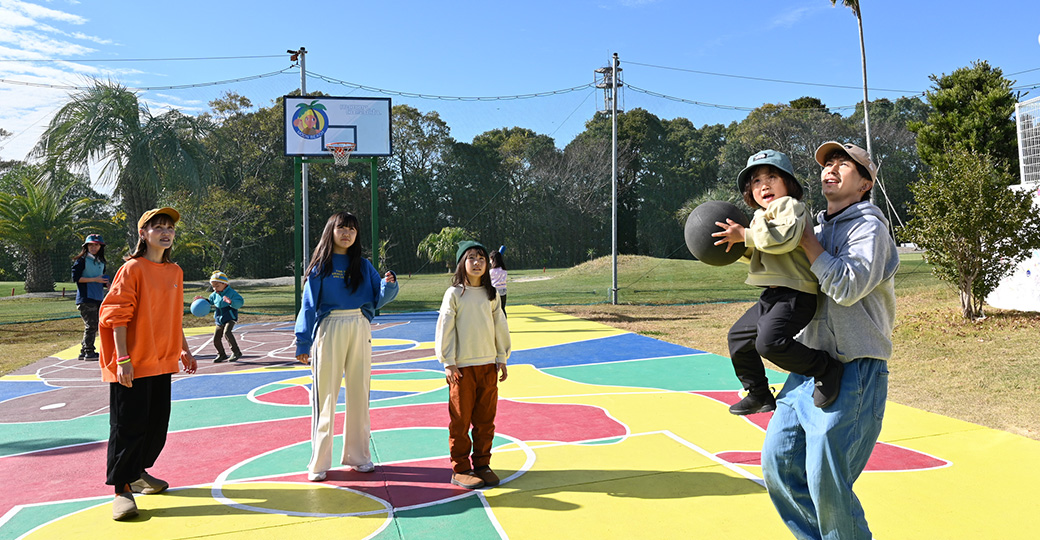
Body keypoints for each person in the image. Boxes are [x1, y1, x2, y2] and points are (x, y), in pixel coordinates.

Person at [761, 142, 899, 539]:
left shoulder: (869, 229)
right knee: (778, 465)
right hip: (808, 370)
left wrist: (807, 241)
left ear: (865, 183)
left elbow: (846, 285)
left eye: (844, 164)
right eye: (826, 164)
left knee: (827, 482)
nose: (830, 170)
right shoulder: (815, 226)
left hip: (854, 370)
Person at [712, 149, 845, 415]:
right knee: (739, 338)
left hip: (797, 293)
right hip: (773, 296)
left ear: (789, 183)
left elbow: (783, 237)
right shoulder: (761, 216)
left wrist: (746, 236)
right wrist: (736, 245)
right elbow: (762, 251)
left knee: (769, 342)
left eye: (772, 176)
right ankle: (759, 394)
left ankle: (825, 367)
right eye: (757, 182)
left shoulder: (789, 207)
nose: (764, 185)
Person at [98, 207, 198, 521]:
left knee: (155, 426)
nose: (166, 232)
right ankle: (121, 490)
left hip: (161, 362)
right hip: (134, 363)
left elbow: (173, 315)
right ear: (143, 234)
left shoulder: (175, 272)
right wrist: (123, 359)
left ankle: (138, 474)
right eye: (158, 227)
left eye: (169, 228)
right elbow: (116, 317)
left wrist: (184, 348)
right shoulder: (132, 269)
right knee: (128, 427)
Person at [294, 211, 398, 482]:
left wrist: (390, 285)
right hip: (329, 328)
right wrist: (303, 340)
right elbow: (307, 305)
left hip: (359, 327)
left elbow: (378, 297)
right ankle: (318, 462)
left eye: (352, 229)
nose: (347, 233)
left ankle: (359, 456)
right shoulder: (320, 266)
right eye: (342, 227)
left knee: (359, 392)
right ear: (331, 230)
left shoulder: (363, 266)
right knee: (325, 395)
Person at [436, 241, 511, 490]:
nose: (477, 262)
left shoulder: (492, 294)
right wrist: (448, 362)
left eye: (481, 258)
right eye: (471, 258)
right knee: (460, 420)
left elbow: (500, 324)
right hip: (462, 369)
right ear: (462, 263)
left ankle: (482, 464)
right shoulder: (455, 293)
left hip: (488, 366)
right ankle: (460, 468)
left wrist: (502, 357)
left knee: (485, 420)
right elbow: (445, 328)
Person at [71, 233, 109, 361]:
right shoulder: (81, 261)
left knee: (94, 324)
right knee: (91, 325)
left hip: (98, 297)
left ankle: (84, 351)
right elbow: (76, 278)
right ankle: (89, 351)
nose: (94, 247)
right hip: (85, 298)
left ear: (100, 247)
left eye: (96, 245)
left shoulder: (101, 262)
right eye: (91, 245)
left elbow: (101, 278)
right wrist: (95, 280)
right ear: (86, 246)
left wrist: (107, 284)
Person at [193, 271, 245, 362]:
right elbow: (210, 302)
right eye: (213, 286)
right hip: (219, 319)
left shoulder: (232, 293)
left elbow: (240, 302)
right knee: (216, 338)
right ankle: (221, 354)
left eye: (217, 286)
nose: (215, 288)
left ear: (224, 284)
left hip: (229, 317)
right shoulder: (214, 295)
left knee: (227, 332)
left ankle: (236, 352)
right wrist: (202, 300)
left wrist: (231, 302)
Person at [489, 249, 508, 316]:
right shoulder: (504, 270)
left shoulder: (491, 271)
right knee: (502, 308)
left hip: (495, 291)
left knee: (494, 309)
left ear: (493, 260)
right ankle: (504, 322)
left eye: (490, 259)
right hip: (503, 291)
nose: (490, 261)